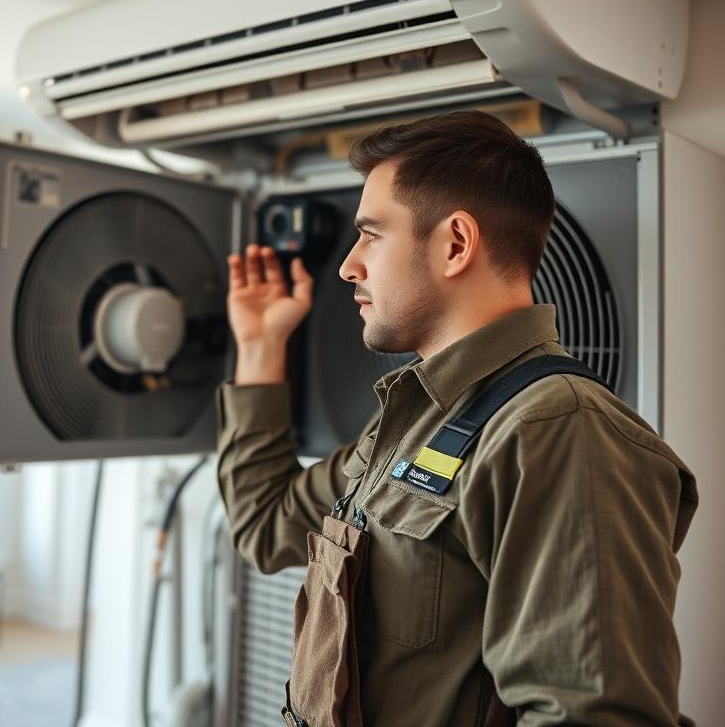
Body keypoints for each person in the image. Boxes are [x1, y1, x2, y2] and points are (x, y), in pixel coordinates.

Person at [214, 110, 698, 725]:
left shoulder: (557, 431)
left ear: (456, 244)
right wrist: (259, 346)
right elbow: (265, 525)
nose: (349, 266)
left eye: (372, 234)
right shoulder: (414, 421)